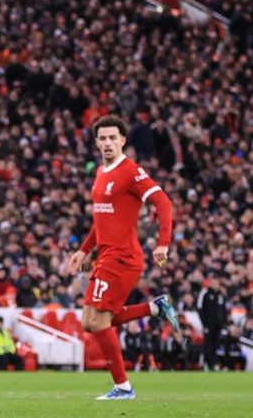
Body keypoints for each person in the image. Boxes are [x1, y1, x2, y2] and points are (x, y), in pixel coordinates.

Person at [64, 115, 178, 400]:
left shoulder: (131, 171)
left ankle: (124, 387)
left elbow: (163, 202)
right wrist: (83, 251)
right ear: (96, 143)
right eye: (102, 138)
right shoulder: (101, 172)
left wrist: (163, 244)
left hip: (123, 257)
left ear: (123, 140)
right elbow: (101, 220)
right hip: (105, 256)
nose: (108, 143)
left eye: (113, 137)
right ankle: (155, 308)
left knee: (98, 322)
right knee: (89, 322)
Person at [197, 275, 227, 371]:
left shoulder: (220, 295)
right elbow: (200, 309)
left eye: (217, 283)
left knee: (215, 345)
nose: (216, 285)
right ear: (210, 284)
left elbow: (223, 310)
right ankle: (206, 363)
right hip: (208, 325)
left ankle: (214, 364)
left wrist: (224, 324)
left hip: (218, 326)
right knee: (208, 345)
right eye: (214, 283)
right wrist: (204, 324)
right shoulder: (205, 294)